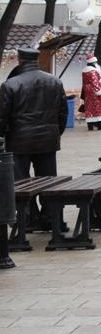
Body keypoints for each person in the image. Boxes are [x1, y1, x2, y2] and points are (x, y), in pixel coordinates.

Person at [0, 47, 68, 228]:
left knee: (21, 182)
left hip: (19, 141)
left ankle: (27, 218)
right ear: (36, 60)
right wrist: (55, 132)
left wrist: (3, 135)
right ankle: (49, 217)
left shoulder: (10, 85)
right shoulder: (55, 82)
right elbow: (63, 112)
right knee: (48, 178)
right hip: (48, 140)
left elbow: (2, 116)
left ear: (20, 60)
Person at [80, 55, 101, 130]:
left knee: (89, 108)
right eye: (95, 62)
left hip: (87, 91)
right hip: (95, 92)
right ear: (93, 62)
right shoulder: (93, 71)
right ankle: (100, 125)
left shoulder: (84, 71)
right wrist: (99, 91)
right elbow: (95, 82)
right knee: (98, 108)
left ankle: (90, 126)